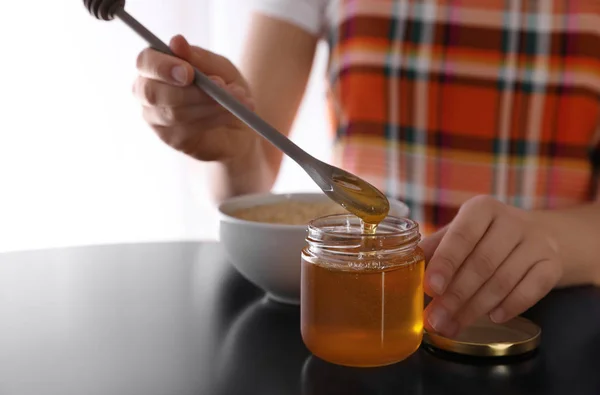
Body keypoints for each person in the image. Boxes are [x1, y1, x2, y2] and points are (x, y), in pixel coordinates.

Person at [132, 0, 600, 338]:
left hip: (558, 318)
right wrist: (224, 145)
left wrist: (553, 240)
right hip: (363, 302)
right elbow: (245, 181)